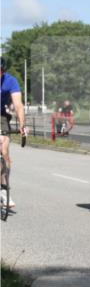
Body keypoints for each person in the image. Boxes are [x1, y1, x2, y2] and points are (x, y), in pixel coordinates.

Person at [1, 57, 27, 208]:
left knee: (4, 150)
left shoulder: (11, 81)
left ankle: (4, 191)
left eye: (1, 72)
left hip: (1, 115)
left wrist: (22, 125)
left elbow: (18, 105)